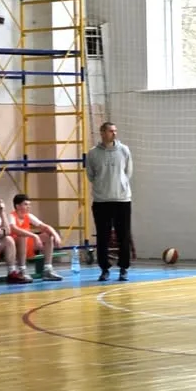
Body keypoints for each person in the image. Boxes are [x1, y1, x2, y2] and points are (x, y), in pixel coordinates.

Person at [87, 121, 133, 282]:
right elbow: (90, 175)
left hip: (122, 200)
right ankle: (104, 269)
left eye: (115, 131)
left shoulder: (124, 150)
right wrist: (102, 186)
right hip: (101, 201)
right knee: (103, 236)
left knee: (123, 235)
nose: (114, 133)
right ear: (102, 133)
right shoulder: (93, 153)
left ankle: (123, 268)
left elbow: (128, 172)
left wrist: (120, 186)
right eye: (111, 131)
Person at [9, 194, 64, 281]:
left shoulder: (29, 216)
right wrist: (34, 235)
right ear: (17, 206)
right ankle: (22, 270)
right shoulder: (11, 216)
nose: (28, 207)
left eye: (29, 204)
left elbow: (45, 226)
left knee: (48, 236)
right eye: (25, 204)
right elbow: (14, 229)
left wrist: (55, 235)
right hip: (15, 247)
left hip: (27, 245)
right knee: (22, 237)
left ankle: (47, 269)